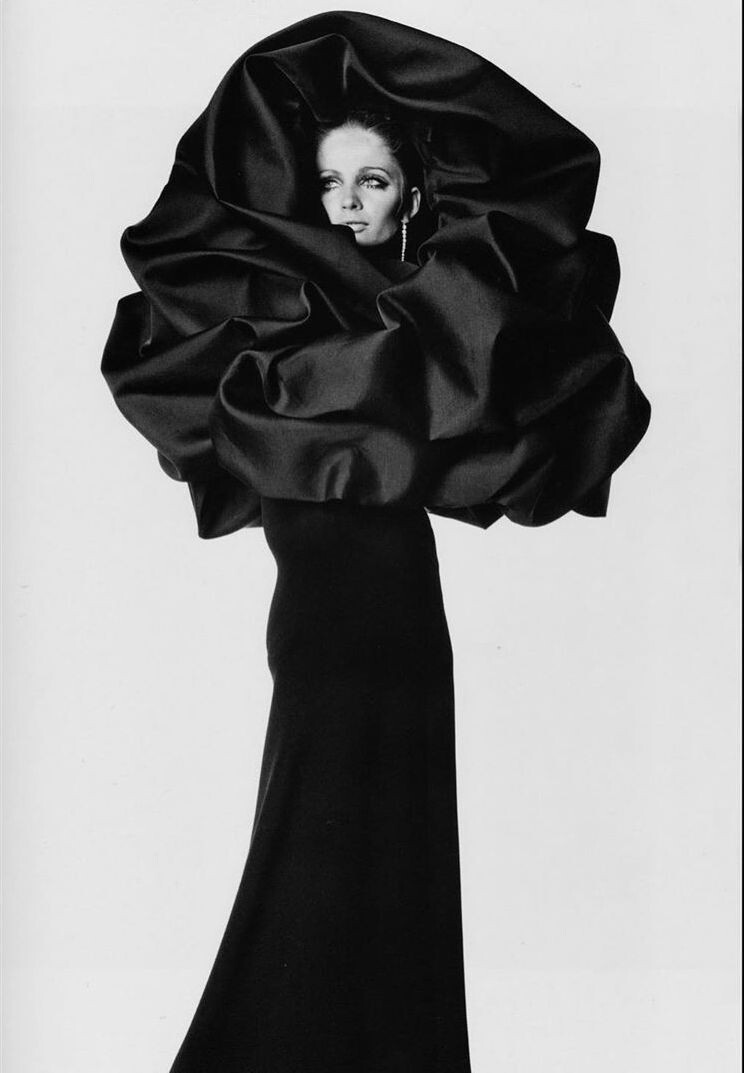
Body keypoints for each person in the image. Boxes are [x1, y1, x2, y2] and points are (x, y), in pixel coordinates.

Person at [101, 12, 651, 1071]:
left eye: (374, 182)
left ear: (410, 193)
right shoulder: (283, 319)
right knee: (318, 833)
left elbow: (509, 258)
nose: (349, 203)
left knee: (398, 848)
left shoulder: (422, 309)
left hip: (405, 607)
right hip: (327, 618)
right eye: (329, 183)